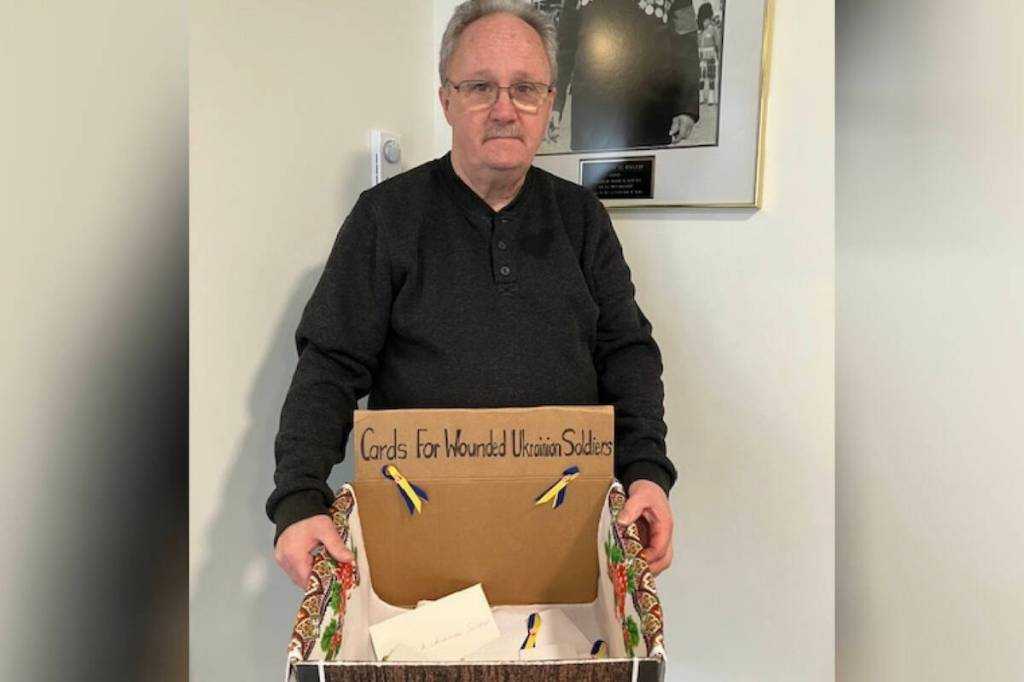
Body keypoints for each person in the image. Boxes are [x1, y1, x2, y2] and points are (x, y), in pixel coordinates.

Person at [268, 0, 677, 590]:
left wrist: (646, 474)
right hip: (417, 536)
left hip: (565, 535)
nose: (505, 110)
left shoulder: (582, 218)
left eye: (526, 88)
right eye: (481, 86)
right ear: (447, 101)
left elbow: (627, 353)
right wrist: (299, 500)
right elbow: (329, 365)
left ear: (550, 102)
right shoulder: (385, 219)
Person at [547, 0, 700, 151]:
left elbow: (686, 43)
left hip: (652, 111)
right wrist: (554, 103)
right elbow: (564, 46)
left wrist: (687, 107)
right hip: (593, 111)